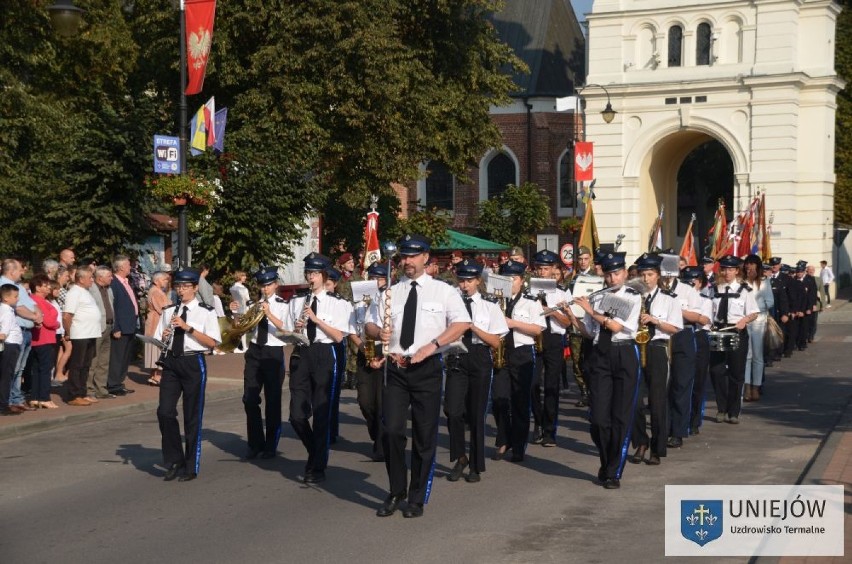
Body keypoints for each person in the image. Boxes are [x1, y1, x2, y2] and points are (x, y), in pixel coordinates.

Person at [365, 234, 470, 518]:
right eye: (404, 256)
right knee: (392, 431)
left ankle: (416, 496)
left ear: (426, 258)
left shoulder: (443, 291)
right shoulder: (389, 292)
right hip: (395, 368)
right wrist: (379, 333)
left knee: (424, 436)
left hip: (427, 368)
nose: (407, 261)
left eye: (413, 256)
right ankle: (396, 489)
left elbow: (461, 323)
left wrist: (432, 346)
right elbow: (370, 324)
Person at [564, 252, 642, 489]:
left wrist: (589, 310)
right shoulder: (598, 297)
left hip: (624, 353)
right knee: (598, 419)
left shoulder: (632, 296)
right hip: (600, 355)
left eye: (616, 273)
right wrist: (572, 316)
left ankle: (613, 471)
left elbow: (616, 326)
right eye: (608, 274)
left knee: (620, 417)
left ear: (625, 273)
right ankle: (605, 460)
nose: (612, 278)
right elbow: (590, 332)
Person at [286, 253, 354, 484]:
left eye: (314, 273)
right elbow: (287, 335)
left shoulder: (338, 304)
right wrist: (295, 330)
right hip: (301, 354)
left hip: (324, 354)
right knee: (296, 414)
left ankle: (317, 468)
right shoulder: (296, 302)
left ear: (324, 275)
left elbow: (337, 336)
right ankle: (315, 453)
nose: (310, 277)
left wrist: (315, 319)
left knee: (322, 414)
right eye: (308, 273)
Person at [154, 267, 221, 482]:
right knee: (165, 411)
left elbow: (212, 343)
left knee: (192, 415)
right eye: (178, 287)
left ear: (194, 288)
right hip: (172, 362)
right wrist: (165, 336)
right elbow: (158, 340)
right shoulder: (168, 311)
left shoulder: (206, 311)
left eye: (185, 287)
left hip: (193, 362)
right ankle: (175, 460)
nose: (181, 291)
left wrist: (188, 328)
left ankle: (191, 465)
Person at [444, 259, 508, 482]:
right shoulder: (451, 303)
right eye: (461, 280)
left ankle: (475, 464)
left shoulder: (489, 306)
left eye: (469, 280)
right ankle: (460, 457)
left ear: (478, 281)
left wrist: (471, 326)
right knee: (452, 410)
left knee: (476, 414)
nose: (464, 285)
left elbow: (496, 342)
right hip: (456, 355)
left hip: (479, 357)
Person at [629, 254, 682, 466]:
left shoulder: (669, 298)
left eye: (650, 274)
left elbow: (675, 327)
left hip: (657, 348)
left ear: (658, 275)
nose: (646, 278)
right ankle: (640, 441)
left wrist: (654, 320)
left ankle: (657, 448)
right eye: (642, 274)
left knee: (657, 401)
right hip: (635, 347)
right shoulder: (633, 296)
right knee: (634, 400)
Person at [490, 259, 545, 462]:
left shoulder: (531, 301)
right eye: (506, 278)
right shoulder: (495, 300)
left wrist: (512, 323)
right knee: (498, 399)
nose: (510, 282)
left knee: (520, 402)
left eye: (513, 278)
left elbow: (537, 329)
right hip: (501, 352)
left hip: (522, 353)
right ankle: (504, 439)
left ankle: (519, 445)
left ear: (521, 280)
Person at [241, 266, 288, 460]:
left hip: (273, 352)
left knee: (273, 400)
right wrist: (238, 316)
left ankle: (270, 445)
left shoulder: (283, 305)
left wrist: (268, 313)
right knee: (249, 398)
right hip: (254, 351)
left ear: (275, 285)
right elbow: (245, 326)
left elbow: (286, 328)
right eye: (262, 285)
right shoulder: (253, 303)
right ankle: (255, 443)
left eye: (268, 285)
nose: (265, 289)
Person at [660, 253, 707, 449]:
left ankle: (678, 430)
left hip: (683, 335)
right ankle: (663, 426)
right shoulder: (654, 291)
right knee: (661, 386)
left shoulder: (687, 290)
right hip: (660, 335)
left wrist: (674, 310)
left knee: (681, 384)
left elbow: (698, 315)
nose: (665, 276)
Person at [709, 255, 759, 424]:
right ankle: (721, 408)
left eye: (731, 269)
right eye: (724, 269)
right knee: (717, 371)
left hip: (736, 331)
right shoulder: (714, 289)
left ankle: (734, 411)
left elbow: (753, 312)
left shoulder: (745, 290)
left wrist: (744, 321)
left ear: (737, 271)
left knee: (736, 372)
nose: (727, 273)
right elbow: (708, 310)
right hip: (719, 331)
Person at [530, 250, 572, 447]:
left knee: (551, 386)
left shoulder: (562, 293)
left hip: (554, 339)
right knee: (532, 384)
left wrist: (551, 311)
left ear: (553, 269)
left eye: (545, 269)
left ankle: (549, 431)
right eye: (539, 268)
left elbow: (567, 322)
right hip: (534, 337)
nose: (541, 272)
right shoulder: (528, 291)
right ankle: (537, 422)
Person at [353, 261, 389, 462]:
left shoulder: (389, 299)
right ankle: (377, 435)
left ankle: (381, 444)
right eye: (372, 278)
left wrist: (382, 354)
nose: (375, 282)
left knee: (382, 402)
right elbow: (351, 328)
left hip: (383, 352)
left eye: (379, 278)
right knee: (365, 402)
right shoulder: (359, 300)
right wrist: (362, 348)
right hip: (364, 350)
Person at [0, 259, 44, 411]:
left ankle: (16, 398)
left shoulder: (18, 287)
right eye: (20, 269)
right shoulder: (4, 286)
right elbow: (18, 308)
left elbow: (30, 303)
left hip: (26, 332)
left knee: (19, 369)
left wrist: (38, 314)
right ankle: (10, 400)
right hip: (14, 335)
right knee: (12, 369)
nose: (23, 272)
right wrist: (34, 316)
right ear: (11, 271)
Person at [680, 267, 714, 435]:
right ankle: (681, 419)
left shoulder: (704, 300)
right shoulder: (677, 298)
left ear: (700, 283)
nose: (688, 285)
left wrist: (684, 313)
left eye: (691, 282)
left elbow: (704, 320)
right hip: (681, 336)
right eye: (685, 282)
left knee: (698, 382)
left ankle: (694, 420)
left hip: (699, 338)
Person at [62, 268, 102, 406]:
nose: (92, 280)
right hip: (80, 334)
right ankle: (73, 395)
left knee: (86, 365)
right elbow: (67, 316)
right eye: (90, 277)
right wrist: (69, 333)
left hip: (91, 333)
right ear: (81, 279)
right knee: (77, 365)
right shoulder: (74, 293)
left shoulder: (86, 292)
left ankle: (82, 392)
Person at [743, 255, 773, 402]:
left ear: (758, 266)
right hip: (744, 320)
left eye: (752, 264)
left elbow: (770, 301)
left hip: (759, 320)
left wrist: (755, 308)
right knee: (747, 355)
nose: (749, 267)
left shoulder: (764, 282)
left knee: (757, 355)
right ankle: (747, 387)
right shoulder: (741, 281)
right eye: (747, 264)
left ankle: (756, 386)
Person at [107, 255, 138, 397]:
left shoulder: (126, 281)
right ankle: (113, 385)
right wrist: (116, 327)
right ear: (120, 267)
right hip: (121, 327)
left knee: (125, 357)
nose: (130, 267)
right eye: (127, 265)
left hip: (130, 326)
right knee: (117, 357)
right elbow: (113, 307)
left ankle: (119, 382)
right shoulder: (113, 283)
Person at [28, 274, 60, 409]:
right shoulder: (37, 301)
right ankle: (44, 397)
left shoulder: (39, 300)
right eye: (45, 286)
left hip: (40, 339)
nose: (48, 288)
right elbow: (47, 320)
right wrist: (57, 324)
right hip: (44, 338)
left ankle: (35, 397)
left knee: (37, 369)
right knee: (45, 369)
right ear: (37, 287)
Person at [88, 266, 115, 401]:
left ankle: (101, 389)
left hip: (108, 326)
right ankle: (89, 389)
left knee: (104, 361)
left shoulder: (108, 289)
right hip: (96, 327)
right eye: (109, 276)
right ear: (100, 277)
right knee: (93, 360)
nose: (112, 278)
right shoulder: (91, 289)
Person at [0, 284, 25, 415]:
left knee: (6, 375)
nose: (17, 299)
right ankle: (3, 406)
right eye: (15, 296)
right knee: (6, 376)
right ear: (5, 298)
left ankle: (4, 403)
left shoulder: (7, 310)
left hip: (11, 345)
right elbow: (3, 333)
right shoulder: (6, 312)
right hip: (10, 345)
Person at [145, 272, 171, 386]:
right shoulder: (156, 292)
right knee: (158, 348)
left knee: (155, 349)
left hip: (155, 322)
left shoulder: (156, 291)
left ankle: (153, 376)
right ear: (156, 281)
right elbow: (163, 309)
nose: (166, 282)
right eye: (164, 279)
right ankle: (157, 377)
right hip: (156, 323)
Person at [229, 270, 250, 353]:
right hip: (243, 309)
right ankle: (243, 347)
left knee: (237, 328)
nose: (245, 277)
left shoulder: (232, 287)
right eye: (243, 276)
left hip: (235, 309)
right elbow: (247, 300)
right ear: (239, 277)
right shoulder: (243, 288)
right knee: (242, 329)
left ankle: (237, 347)